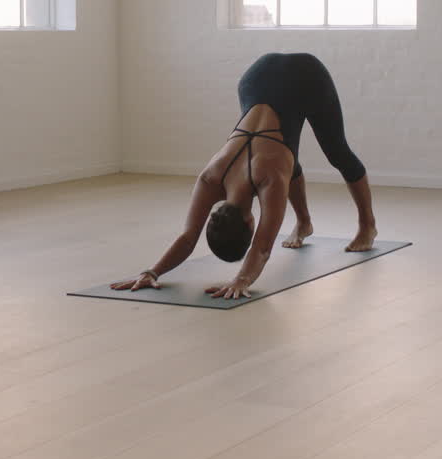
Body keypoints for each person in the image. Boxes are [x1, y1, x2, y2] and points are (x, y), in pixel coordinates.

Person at [111, 52, 378, 300]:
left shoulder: (270, 178)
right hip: (256, 75)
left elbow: (261, 247)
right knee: (284, 155)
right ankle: (304, 223)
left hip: (307, 78)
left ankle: (367, 226)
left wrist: (241, 280)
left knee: (336, 152)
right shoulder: (210, 177)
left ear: (251, 224)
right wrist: (151, 272)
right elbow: (188, 238)